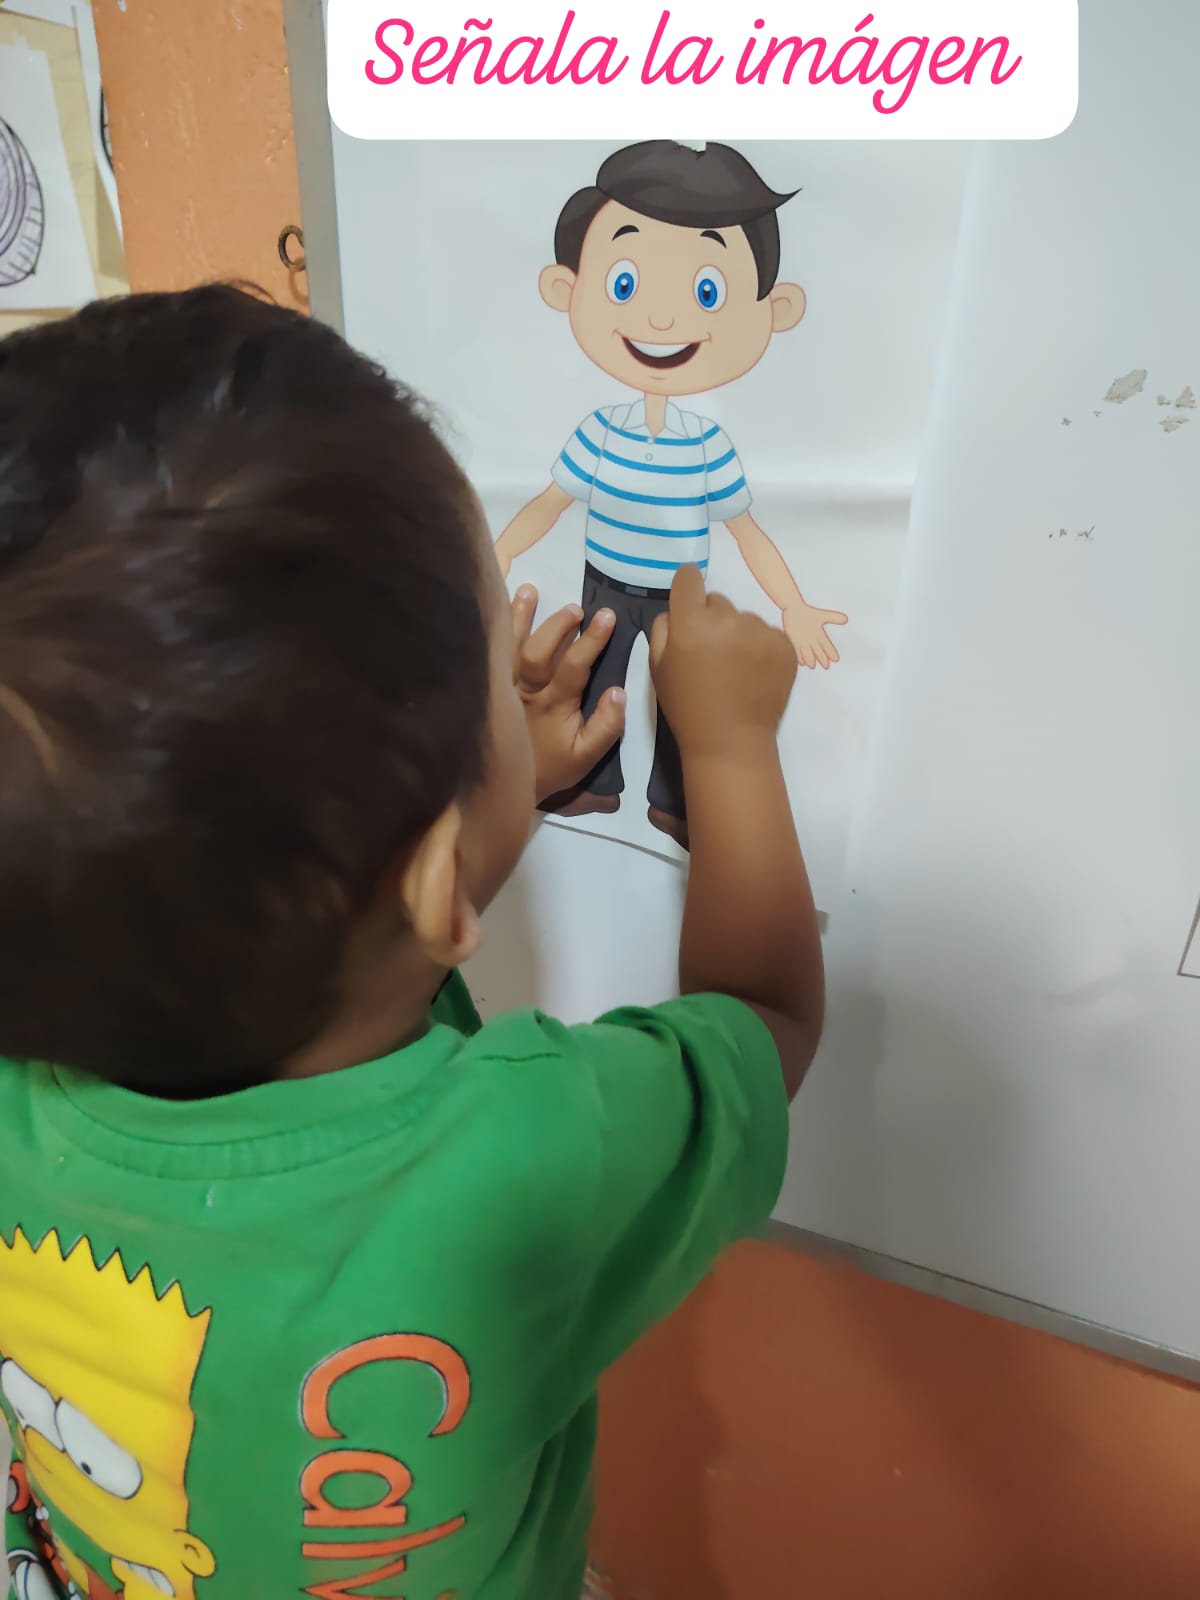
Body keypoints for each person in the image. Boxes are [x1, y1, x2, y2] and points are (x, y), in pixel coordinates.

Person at [0, 286, 824, 1600]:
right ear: (436, 880)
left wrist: (481, 800)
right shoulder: (525, 1158)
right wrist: (727, 748)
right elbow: (766, 1017)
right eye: (495, 665)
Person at [495, 140, 848, 847]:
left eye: (706, 292)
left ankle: (676, 801)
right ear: (567, 289)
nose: (660, 322)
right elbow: (551, 501)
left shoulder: (709, 444)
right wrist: (495, 553)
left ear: (774, 308)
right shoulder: (599, 431)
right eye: (623, 283)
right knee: (596, 682)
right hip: (603, 582)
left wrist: (794, 604)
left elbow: (746, 530)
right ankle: (592, 784)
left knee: (682, 699)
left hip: (677, 595)